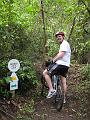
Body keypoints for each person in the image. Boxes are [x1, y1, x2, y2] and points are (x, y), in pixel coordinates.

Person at [43, 32, 71, 103]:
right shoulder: (64, 44)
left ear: (63, 37)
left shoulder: (64, 44)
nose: (58, 37)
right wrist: (54, 59)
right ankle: (64, 99)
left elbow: (61, 54)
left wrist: (53, 61)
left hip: (61, 65)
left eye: (60, 36)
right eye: (57, 37)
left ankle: (51, 89)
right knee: (63, 82)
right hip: (66, 66)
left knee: (45, 73)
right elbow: (59, 54)